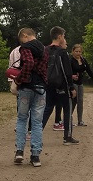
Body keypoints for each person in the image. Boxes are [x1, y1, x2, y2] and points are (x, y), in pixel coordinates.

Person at [13, 27, 47, 167]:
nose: (21, 42)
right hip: (40, 88)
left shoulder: (25, 48)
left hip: (27, 87)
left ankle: (19, 151)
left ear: (25, 35)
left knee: (22, 119)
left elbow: (29, 63)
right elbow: (43, 69)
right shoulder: (44, 49)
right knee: (37, 122)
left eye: (21, 39)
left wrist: (19, 79)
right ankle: (35, 155)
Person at [41, 26, 78, 145]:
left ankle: (36, 134)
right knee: (67, 109)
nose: (64, 38)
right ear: (59, 36)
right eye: (64, 36)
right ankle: (67, 137)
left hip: (48, 85)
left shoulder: (45, 50)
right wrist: (71, 87)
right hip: (62, 86)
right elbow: (67, 72)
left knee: (47, 108)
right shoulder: (62, 52)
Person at [71, 44, 93, 126]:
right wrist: (71, 76)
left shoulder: (83, 60)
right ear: (73, 52)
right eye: (76, 51)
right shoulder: (70, 60)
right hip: (73, 83)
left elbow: (89, 71)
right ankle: (68, 119)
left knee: (80, 101)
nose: (78, 53)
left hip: (80, 83)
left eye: (79, 51)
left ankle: (80, 121)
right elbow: (66, 72)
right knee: (74, 101)